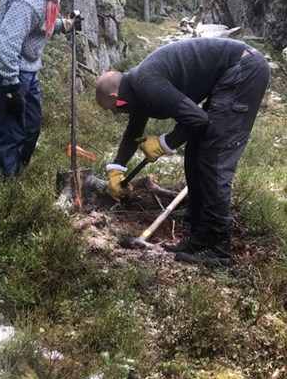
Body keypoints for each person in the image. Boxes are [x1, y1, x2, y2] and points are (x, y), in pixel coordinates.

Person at [95, 37, 271, 267]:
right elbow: (133, 131)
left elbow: (198, 119)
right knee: (195, 151)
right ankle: (200, 236)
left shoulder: (146, 83)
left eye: (112, 110)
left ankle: (220, 249)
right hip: (232, 71)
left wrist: (164, 142)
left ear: (115, 98)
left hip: (243, 69)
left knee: (213, 158)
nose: (116, 114)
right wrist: (117, 169)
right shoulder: (136, 91)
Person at [0, 0, 90, 178]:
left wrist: (65, 25)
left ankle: (16, 172)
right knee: (11, 129)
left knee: (31, 127)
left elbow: (38, 26)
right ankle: (5, 185)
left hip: (29, 69)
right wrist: (11, 87)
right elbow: (7, 44)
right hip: (11, 69)